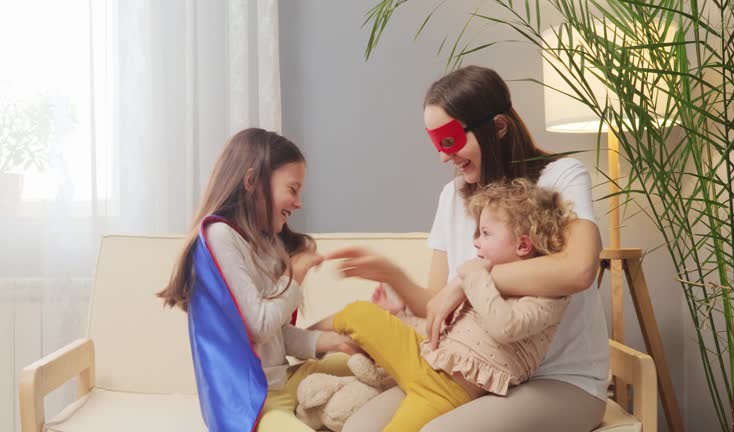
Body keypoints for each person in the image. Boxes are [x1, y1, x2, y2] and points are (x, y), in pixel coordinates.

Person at [331, 65, 610, 432]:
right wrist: (392, 274)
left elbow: (577, 270)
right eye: (436, 143)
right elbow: (437, 307)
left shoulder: (560, 178)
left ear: (497, 127)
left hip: (560, 380)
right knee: (359, 428)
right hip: (467, 373)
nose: (443, 157)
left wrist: (469, 278)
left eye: (449, 140)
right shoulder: (452, 197)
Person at [313, 178, 575, 432]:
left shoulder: (546, 296)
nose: (476, 242)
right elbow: (445, 331)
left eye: (485, 233)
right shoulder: (486, 281)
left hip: (448, 392)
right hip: (424, 358)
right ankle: (296, 340)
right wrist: (401, 318)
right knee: (359, 313)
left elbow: (504, 327)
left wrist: (473, 275)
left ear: (522, 245)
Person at [157, 128, 360, 432]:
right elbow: (260, 326)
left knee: (367, 363)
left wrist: (332, 342)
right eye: (293, 189)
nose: (299, 202)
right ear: (252, 181)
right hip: (252, 402)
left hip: (283, 382)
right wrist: (296, 273)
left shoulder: (266, 243)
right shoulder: (218, 236)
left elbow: (277, 335)